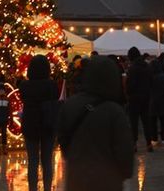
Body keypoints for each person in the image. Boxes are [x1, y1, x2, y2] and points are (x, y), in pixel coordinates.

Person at [57, 55, 134, 191]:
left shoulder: (70, 105)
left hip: (77, 179)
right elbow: (124, 151)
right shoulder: (114, 111)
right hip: (107, 181)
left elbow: (63, 140)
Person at [19, 55, 59, 191]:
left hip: (30, 124)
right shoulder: (52, 85)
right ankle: (47, 188)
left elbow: (23, 99)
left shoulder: (24, 85)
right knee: (47, 160)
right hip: (48, 123)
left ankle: (32, 188)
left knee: (33, 161)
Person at [125, 47, 154, 152]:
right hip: (146, 97)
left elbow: (131, 84)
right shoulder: (147, 66)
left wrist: (128, 92)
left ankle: (134, 144)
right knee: (146, 121)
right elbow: (151, 81)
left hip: (134, 98)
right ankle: (149, 144)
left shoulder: (133, 68)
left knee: (134, 122)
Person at [149, 58, 164, 144]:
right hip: (163, 101)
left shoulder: (150, 76)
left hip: (152, 101)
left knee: (152, 122)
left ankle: (154, 139)